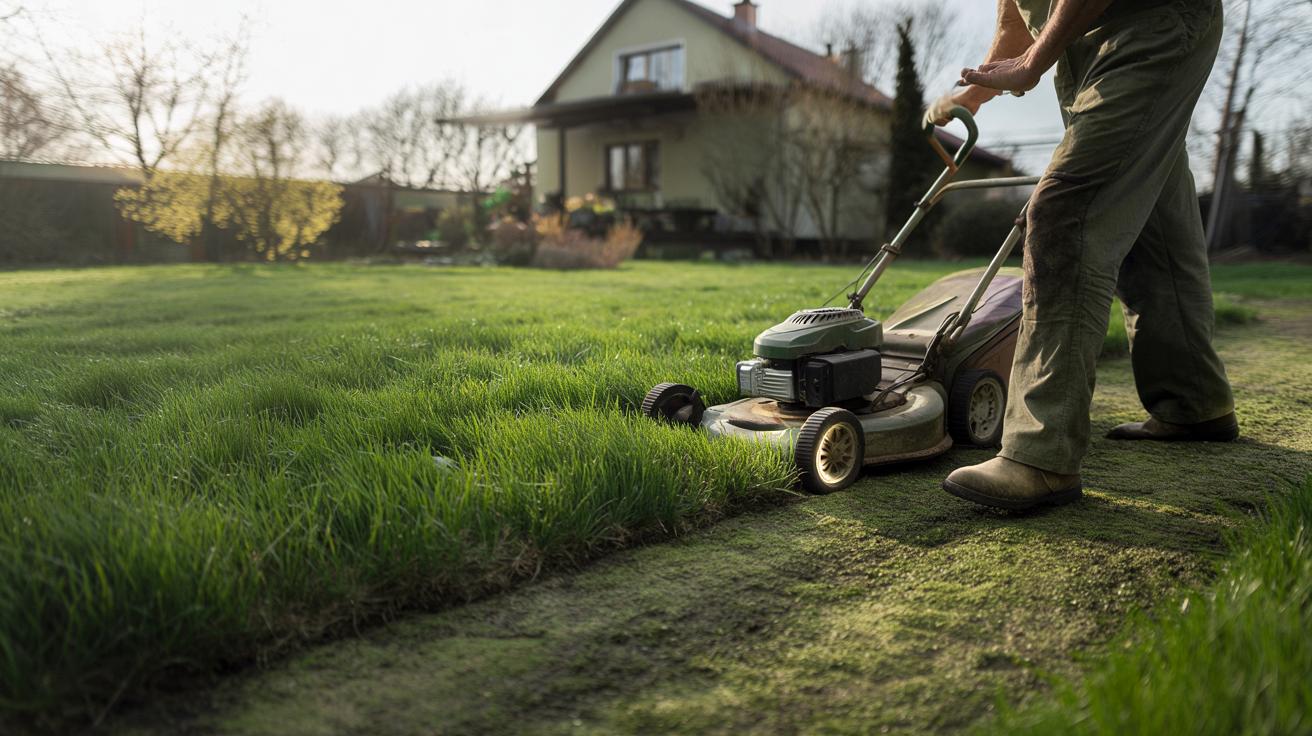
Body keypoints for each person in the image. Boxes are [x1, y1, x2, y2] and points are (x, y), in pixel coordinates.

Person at [925, 0, 1238, 511]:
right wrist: (976, 91)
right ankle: (1193, 400)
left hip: (1152, 25)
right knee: (1148, 211)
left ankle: (1039, 453)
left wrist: (1032, 63)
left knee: (1066, 211)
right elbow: (1018, 13)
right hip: (1094, 47)